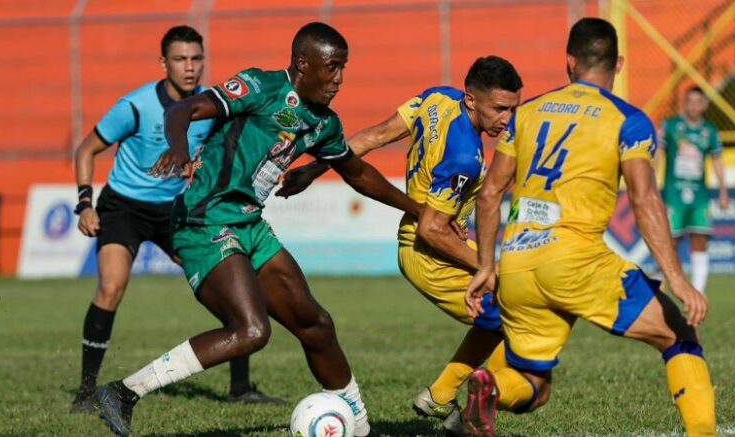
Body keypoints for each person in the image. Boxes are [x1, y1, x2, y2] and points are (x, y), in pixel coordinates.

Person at [94, 22, 422, 437]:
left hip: (249, 224)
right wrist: (179, 147)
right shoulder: (260, 87)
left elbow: (357, 173)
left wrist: (417, 210)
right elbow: (182, 110)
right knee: (251, 331)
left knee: (316, 324)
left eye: (343, 68)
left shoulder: (323, 122)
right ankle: (123, 392)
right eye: (332, 67)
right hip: (205, 221)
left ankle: (360, 429)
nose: (339, 78)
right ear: (303, 63)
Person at [464, 17, 714, 437]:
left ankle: (492, 386)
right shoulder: (628, 119)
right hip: (576, 261)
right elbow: (644, 199)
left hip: (518, 264)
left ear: (569, 62)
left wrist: (486, 267)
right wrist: (677, 278)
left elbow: (489, 194)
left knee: (533, 383)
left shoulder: (527, 114)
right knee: (680, 336)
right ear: (618, 65)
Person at [277, 56, 524, 436]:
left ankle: (442, 396)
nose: (507, 119)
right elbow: (432, 229)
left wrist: (314, 169)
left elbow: (374, 136)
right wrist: (485, 266)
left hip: (425, 246)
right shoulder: (465, 157)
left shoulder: (437, 99)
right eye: (500, 109)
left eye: (513, 108)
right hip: (432, 255)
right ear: (472, 100)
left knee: (500, 313)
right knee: (519, 315)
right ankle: (475, 404)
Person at [71, 25, 282, 413]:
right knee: (111, 288)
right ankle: (85, 393)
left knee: (231, 286)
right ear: (163, 63)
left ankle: (240, 388)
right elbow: (87, 149)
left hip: (178, 211)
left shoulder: (211, 105)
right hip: (124, 208)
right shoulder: (135, 106)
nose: (189, 67)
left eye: (196, 58)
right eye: (180, 59)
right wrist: (85, 203)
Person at [658, 86, 729, 293]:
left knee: (700, 239)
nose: (694, 106)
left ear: (704, 105)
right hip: (674, 195)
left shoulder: (710, 130)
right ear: (684, 103)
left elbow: (717, 160)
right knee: (670, 242)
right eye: (690, 101)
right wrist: (651, 182)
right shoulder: (671, 126)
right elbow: (658, 154)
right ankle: (663, 285)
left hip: (699, 197)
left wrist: (723, 192)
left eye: (698, 102)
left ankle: (698, 292)